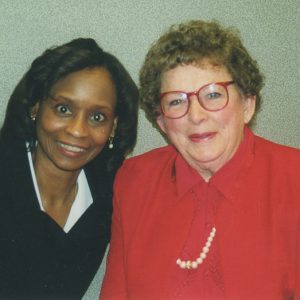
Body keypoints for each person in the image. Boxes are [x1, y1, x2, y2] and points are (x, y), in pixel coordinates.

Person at [100, 20, 300, 299]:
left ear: (248, 105)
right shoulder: (135, 180)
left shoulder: (293, 179)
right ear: (161, 121)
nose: (196, 115)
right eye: (176, 101)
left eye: (213, 94)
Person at [0, 37, 138, 299]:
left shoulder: (111, 197)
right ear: (36, 107)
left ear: (114, 127)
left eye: (97, 117)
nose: (77, 130)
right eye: (63, 109)